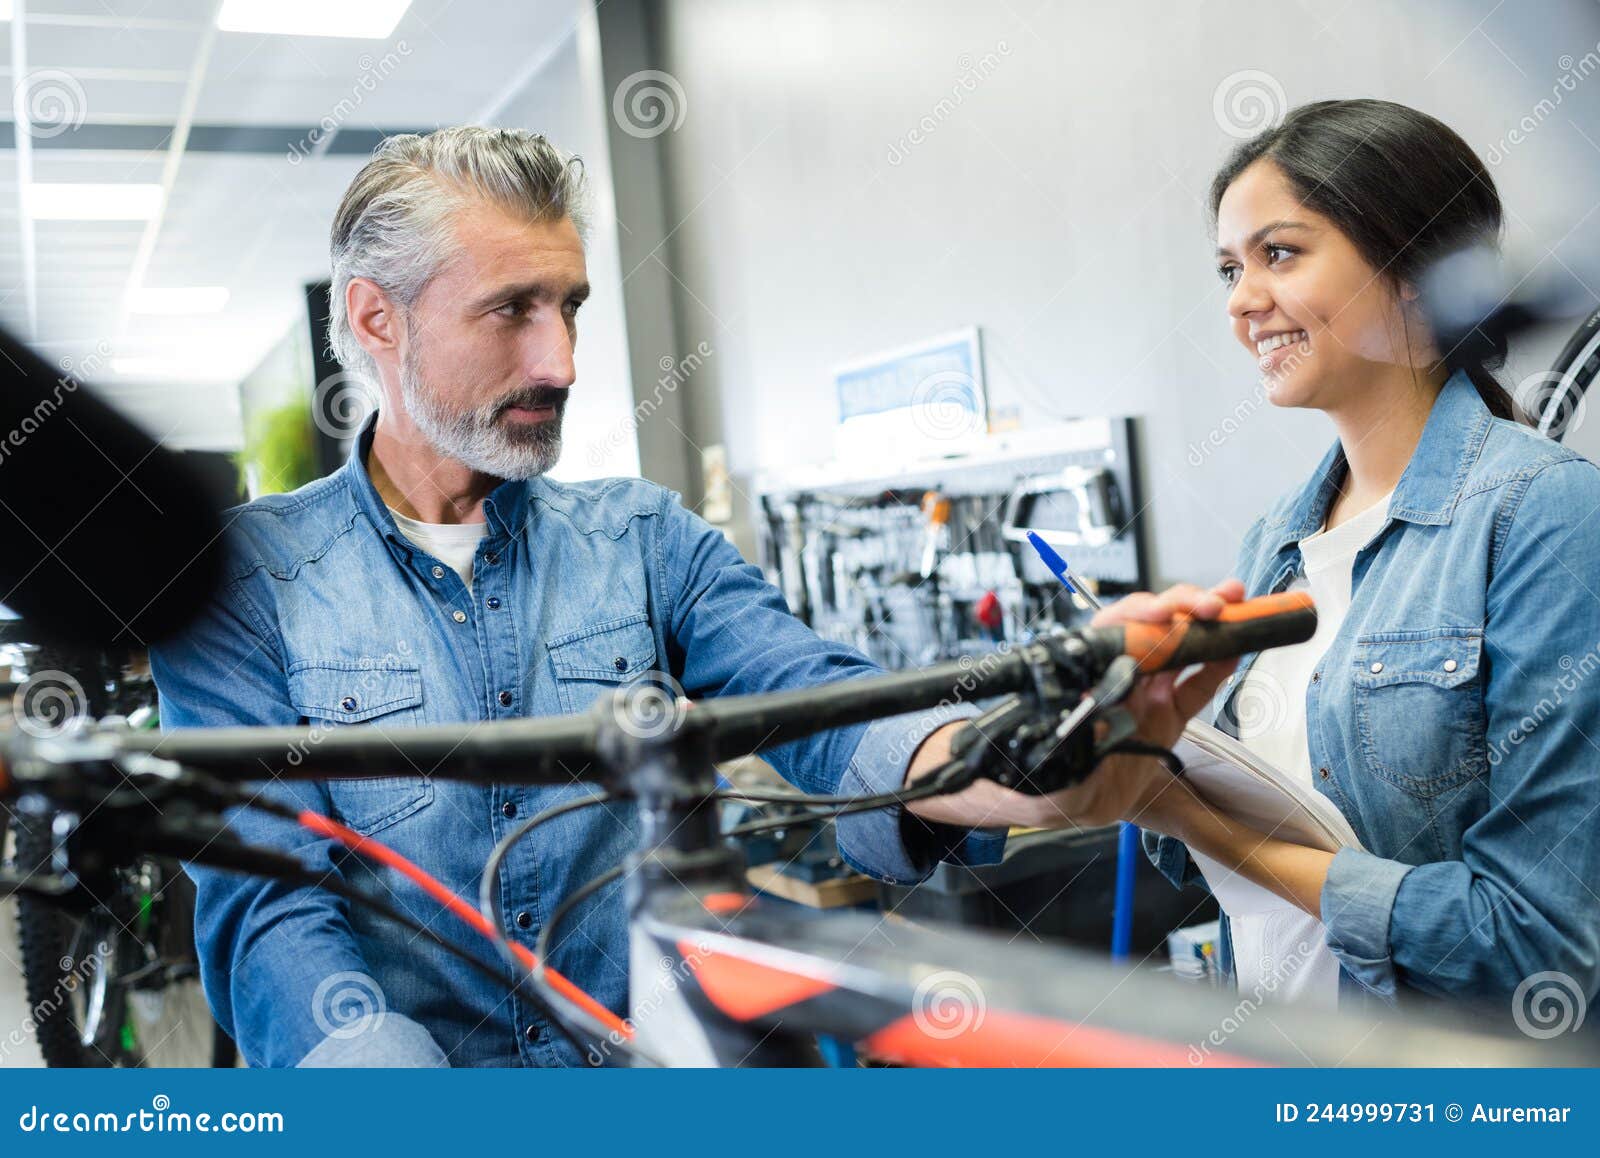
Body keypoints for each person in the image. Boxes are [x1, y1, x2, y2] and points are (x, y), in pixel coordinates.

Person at [150, 126, 1155, 1067]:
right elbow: (265, 902)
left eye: (571, 306)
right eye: (511, 310)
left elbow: (821, 702)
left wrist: (1025, 755)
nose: (562, 362)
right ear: (378, 319)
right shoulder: (243, 582)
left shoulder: (642, 538)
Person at [1042, 99, 1600, 1024]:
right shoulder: (1276, 543)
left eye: (1281, 254)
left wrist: (1186, 813)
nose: (1240, 301)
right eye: (1230, 267)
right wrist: (1134, 755)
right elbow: (1206, 842)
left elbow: (1539, 943)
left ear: (1421, 266)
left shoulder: (1543, 515)